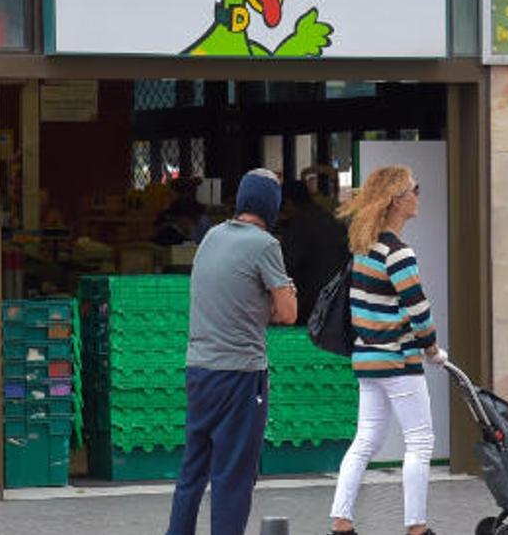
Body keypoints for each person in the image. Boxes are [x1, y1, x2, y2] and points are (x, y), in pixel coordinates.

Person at [166, 168, 298, 535]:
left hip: (199, 370)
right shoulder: (265, 245)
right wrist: (282, 295)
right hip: (240, 375)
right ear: (270, 207)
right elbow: (288, 314)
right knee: (233, 476)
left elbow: (230, 298)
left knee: (193, 470)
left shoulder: (210, 237)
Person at [328, 166, 446, 535]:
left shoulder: (365, 247)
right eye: (415, 189)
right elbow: (418, 309)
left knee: (364, 441)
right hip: (398, 360)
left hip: (367, 359)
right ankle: (416, 528)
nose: (418, 196)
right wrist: (431, 348)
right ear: (397, 200)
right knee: (420, 442)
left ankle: (342, 522)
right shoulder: (398, 253)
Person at [279, 179, 349, 324]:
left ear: (288, 203)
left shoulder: (299, 225)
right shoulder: (329, 219)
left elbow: (285, 268)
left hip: (312, 304)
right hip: (340, 299)